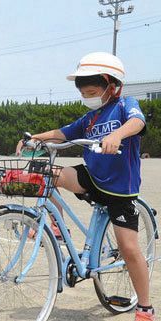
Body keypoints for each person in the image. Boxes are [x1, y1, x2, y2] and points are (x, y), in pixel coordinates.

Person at [24, 52, 153, 321]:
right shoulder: (90, 118)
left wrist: (117, 134)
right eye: (84, 92)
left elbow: (137, 122)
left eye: (93, 90)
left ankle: (144, 308)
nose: (88, 96)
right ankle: (58, 226)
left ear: (112, 86)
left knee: (129, 249)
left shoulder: (125, 105)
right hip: (92, 178)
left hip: (120, 188)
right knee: (46, 172)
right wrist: (38, 137)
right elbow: (64, 133)